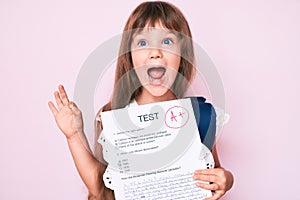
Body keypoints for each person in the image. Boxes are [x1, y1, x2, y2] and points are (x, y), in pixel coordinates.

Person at [48, 1, 234, 199]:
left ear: (183, 53)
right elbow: (101, 189)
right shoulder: (113, 116)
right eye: (143, 43)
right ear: (130, 55)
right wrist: (74, 135)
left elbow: (214, 174)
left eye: (167, 41)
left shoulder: (200, 116)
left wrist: (227, 180)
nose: (155, 52)